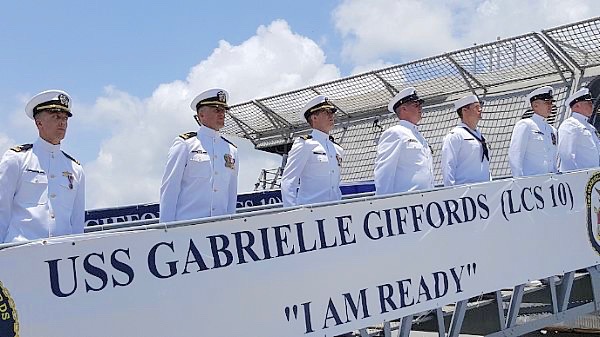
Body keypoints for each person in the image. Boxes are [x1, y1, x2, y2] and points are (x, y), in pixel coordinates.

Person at [0, 90, 85, 243]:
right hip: (21, 251)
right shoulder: (16, 159)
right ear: (39, 123)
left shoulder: (75, 169)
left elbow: (77, 222)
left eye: (65, 118)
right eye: (56, 117)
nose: (62, 122)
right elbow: (2, 210)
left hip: (62, 255)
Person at [159, 88, 239, 222]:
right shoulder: (185, 144)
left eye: (223, 110)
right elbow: (170, 187)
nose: (222, 114)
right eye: (216, 110)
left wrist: (230, 225)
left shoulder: (231, 150)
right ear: (201, 115)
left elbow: (231, 193)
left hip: (221, 228)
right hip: (188, 226)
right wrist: (165, 228)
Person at [281, 95, 344, 206]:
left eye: (332, 112)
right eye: (326, 112)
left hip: (336, 212)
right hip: (310, 213)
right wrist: (292, 214)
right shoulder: (304, 144)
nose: (332, 115)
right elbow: (288, 181)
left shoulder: (337, 149)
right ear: (314, 118)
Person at [374, 87, 434, 195]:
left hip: (427, 200)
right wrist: (383, 204)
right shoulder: (395, 133)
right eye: (416, 105)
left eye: (420, 105)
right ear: (403, 109)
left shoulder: (420, 137)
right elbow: (384, 172)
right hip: (406, 201)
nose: (420, 108)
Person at [441, 94, 491, 186]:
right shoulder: (455, 135)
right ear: (464, 111)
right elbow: (448, 166)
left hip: (485, 189)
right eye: (476, 107)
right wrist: (450, 192)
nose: (480, 110)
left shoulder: (480, 136)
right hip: (465, 193)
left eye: (480, 106)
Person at [508, 86, 558, 177]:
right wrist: (519, 180)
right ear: (535, 106)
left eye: (551, 103)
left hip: (552, 181)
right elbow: (515, 154)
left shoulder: (552, 130)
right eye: (547, 103)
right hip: (532, 183)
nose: (550, 106)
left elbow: (553, 159)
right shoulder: (526, 125)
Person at [558, 87, 600, 171]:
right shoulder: (570, 124)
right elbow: (567, 155)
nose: (592, 105)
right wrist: (575, 178)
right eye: (588, 103)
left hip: (593, 177)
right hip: (579, 178)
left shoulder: (590, 127)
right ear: (577, 106)